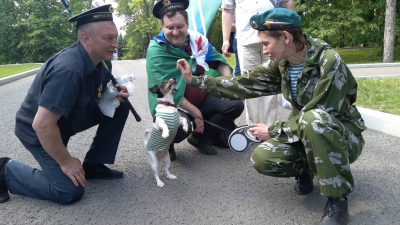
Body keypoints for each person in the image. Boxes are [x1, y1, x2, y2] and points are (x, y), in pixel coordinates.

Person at [177, 8, 366, 225]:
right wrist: (196, 81)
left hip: (341, 137)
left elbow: (321, 113)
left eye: (266, 43)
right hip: (305, 131)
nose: (264, 50)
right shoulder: (282, 64)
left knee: (315, 120)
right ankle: (306, 167)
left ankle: (338, 204)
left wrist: (273, 131)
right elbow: (244, 83)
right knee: (264, 158)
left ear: (285, 37)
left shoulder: (328, 62)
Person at [0, 5, 130, 204]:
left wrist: (113, 95)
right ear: (86, 38)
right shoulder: (68, 69)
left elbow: (95, 92)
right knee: (68, 191)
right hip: (41, 132)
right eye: (108, 39)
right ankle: (5, 170)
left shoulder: (103, 61)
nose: (116, 44)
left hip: (68, 120)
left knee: (121, 106)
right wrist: (66, 161)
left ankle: (93, 164)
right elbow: (42, 125)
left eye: (115, 37)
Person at [146, 0, 244, 160]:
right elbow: (166, 92)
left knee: (235, 103)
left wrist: (229, 85)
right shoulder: (156, 50)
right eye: (170, 28)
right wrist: (196, 113)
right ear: (162, 27)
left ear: (187, 23)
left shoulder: (197, 40)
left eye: (180, 27)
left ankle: (201, 138)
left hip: (202, 100)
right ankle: (166, 144)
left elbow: (218, 62)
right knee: (177, 125)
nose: (175, 32)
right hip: (173, 106)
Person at [221, 0, 295, 126]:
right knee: (249, 84)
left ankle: (269, 128)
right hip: (245, 38)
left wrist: (293, 32)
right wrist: (226, 39)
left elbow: (289, 2)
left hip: (274, 35)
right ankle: (252, 129)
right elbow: (227, 10)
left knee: (272, 83)